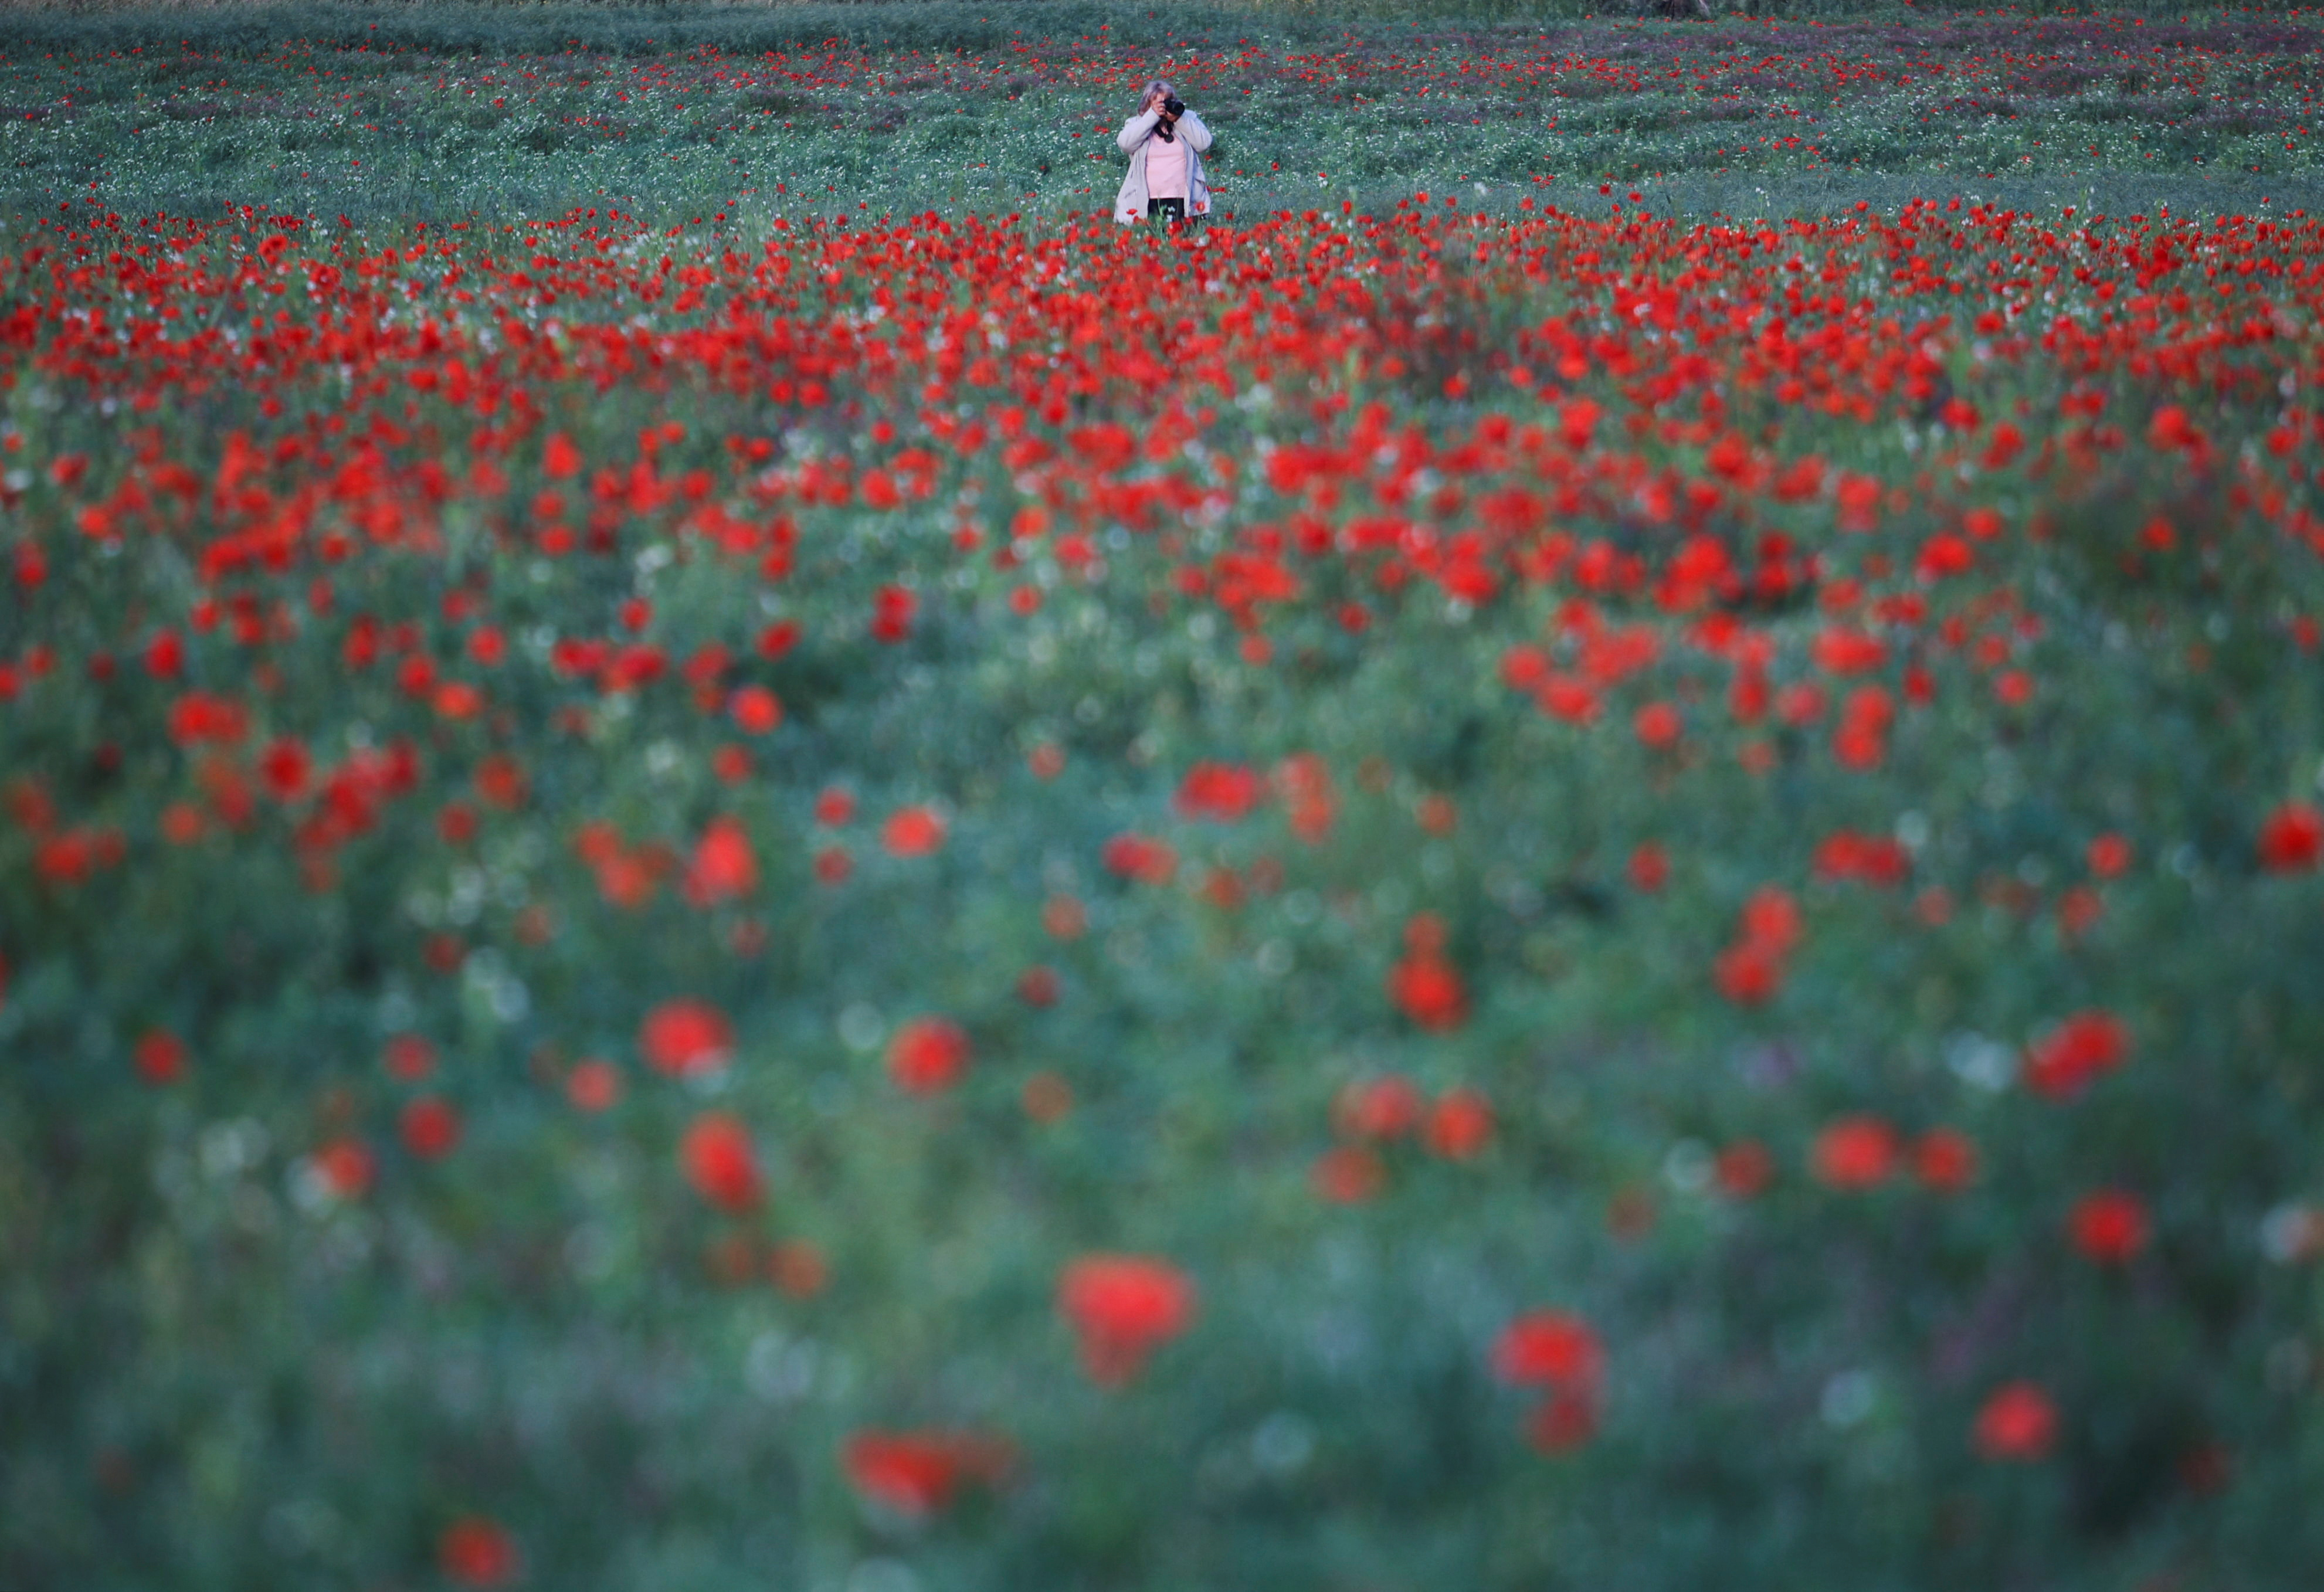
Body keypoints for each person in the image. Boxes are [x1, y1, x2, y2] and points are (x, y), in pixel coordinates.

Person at [1114, 79, 1212, 229]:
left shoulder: (1188, 119)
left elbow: (1203, 144)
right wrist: (1152, 117)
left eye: (1166, 102)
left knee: (1183, 243)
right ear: (1148, 104)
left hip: (1183, 197)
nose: (1163, 107)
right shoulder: (1137, 123)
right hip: (1148, 198)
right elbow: (1125, 144)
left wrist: (1179, 120)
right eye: (1158, 103)